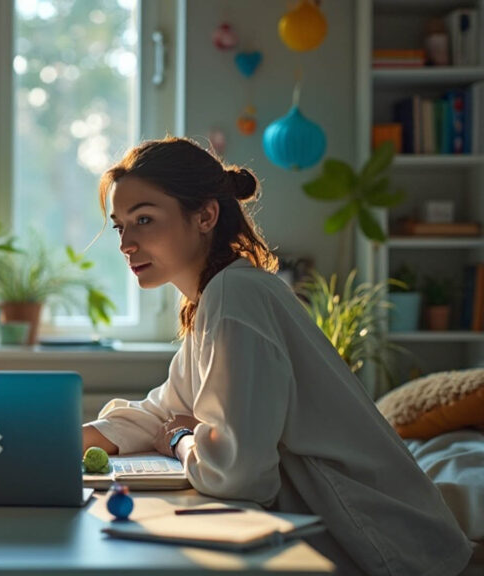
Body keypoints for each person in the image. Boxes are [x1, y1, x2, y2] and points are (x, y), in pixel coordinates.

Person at [82, 137, 473, 576]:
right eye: (120, 226)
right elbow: (167, 409)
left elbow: (239, 475)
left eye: (145, 219)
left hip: (387, 552)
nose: (126, 244)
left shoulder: (236, 296)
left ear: (206, 215)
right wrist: (72, 437)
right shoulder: (220, 295)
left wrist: (179, 440)